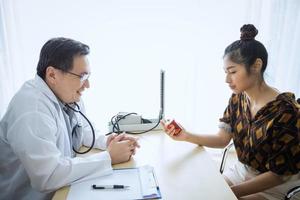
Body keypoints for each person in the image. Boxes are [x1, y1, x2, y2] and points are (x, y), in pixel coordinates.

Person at [161, 24, 300, 200]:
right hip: (242, 171)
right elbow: (222, 139)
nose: (227, 79)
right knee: (201, 195)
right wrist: (186, 136)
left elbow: (279, 174)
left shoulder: (287, 111)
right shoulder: (238, 98)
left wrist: (229, 193)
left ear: (256, 65)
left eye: (233, 72)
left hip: (276, 184)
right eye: (226, 72)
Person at [0, 37, 140, 200]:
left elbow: (83, 130)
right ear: (52, 75)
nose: (87, 85)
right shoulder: (32, 110)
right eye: (82, 76)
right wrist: (109, 157)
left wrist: (108, 141)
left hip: (63, 189)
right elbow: (48, 176)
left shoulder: (65, 94)